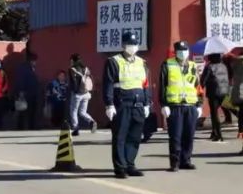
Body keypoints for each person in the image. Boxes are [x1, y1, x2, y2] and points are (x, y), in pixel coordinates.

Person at [103, 29, 151, 178]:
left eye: (135, 44)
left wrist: (148, 103)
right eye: (130, 44)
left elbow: (146, 84)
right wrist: (109, 104)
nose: (133, 46)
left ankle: (130, 164)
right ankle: (120, 168)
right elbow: (108, 84)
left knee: (135, 136)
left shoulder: (142, 63)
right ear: (123, 45)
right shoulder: (114, 61)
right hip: (122, 104)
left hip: (138, 104)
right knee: (120, 137)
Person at [159, 40, 201, 172]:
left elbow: (198, 86)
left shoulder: (193, 66)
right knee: (176, 136)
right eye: (180, 51)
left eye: (185, 50)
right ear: (175, 52)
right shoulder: (167, 64)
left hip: (191, 105)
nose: (183, 53)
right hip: (174, 106)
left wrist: (199, 104)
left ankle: (186, 160)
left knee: (189, 135)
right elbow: (162, 86)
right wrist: (163, 104)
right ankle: (175, 162)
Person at [200, 52, 230, 143]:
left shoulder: (209, 67)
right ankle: (214, 132)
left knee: (214, 114)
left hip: (214, 93)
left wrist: (202, 85)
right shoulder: (224, 66)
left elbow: (203, 81)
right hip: (224, 92)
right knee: (222, 109)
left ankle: (218, 134)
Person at [68, 53, 97, 135]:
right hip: (86, 93)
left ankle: (76, 128)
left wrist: (74, 91)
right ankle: (91, 121)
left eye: (71, 60)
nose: (70, 62)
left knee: (73, 111)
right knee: (82, 112)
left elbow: (73, 82)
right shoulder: (86, 69)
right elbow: (90, 79)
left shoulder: (72, 69)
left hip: (77, 94)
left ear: (73, 60)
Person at [14, 54, 42, 130]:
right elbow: (20, 80)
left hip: (31, 92)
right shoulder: (24, 68)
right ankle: (22, 127)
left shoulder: (29, 67)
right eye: (35, 61)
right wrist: (21, 91)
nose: (35, 63)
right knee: (24, 110)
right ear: (32, 61)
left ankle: (29, 126)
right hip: (26, 92)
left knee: (29, 110)